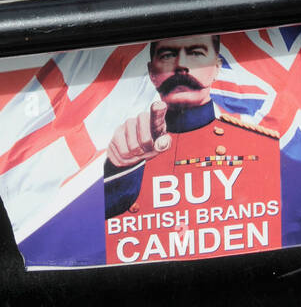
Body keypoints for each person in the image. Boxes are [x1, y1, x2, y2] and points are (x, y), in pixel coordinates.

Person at [103, 33, 280, 222]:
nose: (181, 65)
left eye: (196, 53)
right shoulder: (123, 152)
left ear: (217, 68)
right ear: (152, 73)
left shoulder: (263, 148)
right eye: (167, 55)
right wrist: (121, 168)